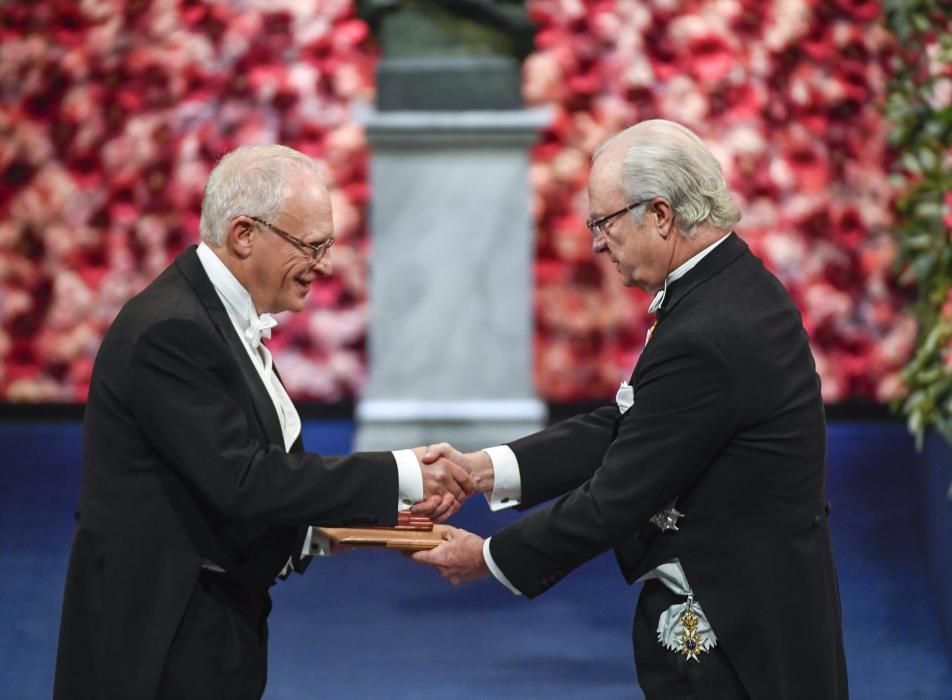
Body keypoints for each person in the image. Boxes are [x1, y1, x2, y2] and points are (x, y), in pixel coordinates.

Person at [412, 119, 848, 699]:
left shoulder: (709, 331)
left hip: (735, 638)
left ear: (661, 215)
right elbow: (627, 426)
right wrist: (481, 469)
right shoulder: (728, 287)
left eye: (604, 222)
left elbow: (618, 495)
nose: (596, 242)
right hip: (763, 610)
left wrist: (490, 557)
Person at [53, 144, 474, 700]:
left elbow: (233, 480)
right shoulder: (172, 331)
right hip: (157, 643)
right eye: (310, 245)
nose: (324, 264)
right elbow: (244, 480)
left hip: (206, 623)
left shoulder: (215, 317)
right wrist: (407, 473)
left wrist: (327, 529)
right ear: (245, 234)